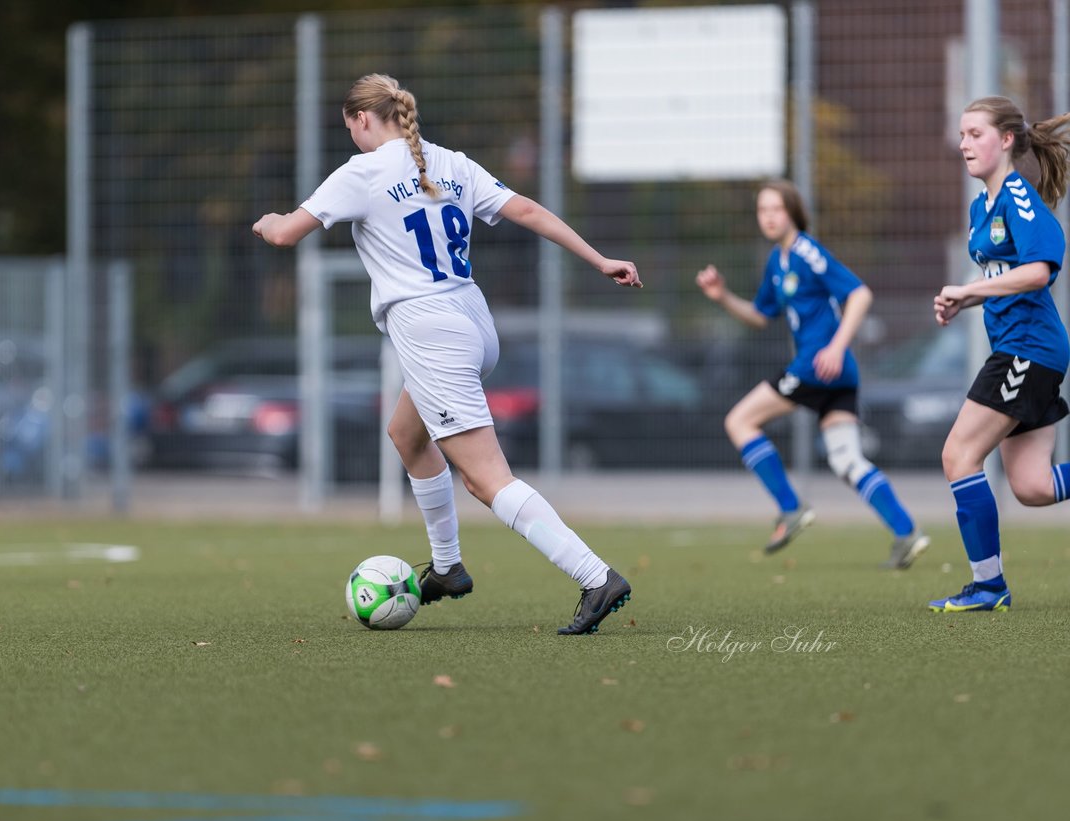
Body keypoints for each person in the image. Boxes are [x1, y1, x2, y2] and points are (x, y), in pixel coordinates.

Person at [254, 73, 640, 634]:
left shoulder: (361, 172)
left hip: (430, 331)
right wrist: (599, 258)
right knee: (407, 434)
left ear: (362, 119)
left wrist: (268, 224)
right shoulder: (451, 162)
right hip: (473, 323)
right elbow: (527, 210)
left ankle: (595, 577)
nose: (352, 139)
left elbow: (289, 234)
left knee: (486, 479)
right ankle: (446, 566)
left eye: (350, 128)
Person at [695, 180, 929, 568]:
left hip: (817, 367)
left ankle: (790, 508)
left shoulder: (806, 252)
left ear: (793, 212)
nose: (768, 217)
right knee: (847, 461)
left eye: (775, 209)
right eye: (761, 210)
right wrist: (722, 297)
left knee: (739, 421)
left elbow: (860, 294)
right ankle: (906, 533)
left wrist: (836, 347)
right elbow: (759, 316)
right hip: (836, 374)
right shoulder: (778, 260)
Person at [928, 96, 1070, 612]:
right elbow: (1002, 279)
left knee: (958, 455)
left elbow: (1039, 270)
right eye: (962, 134)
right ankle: (989, 586)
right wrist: (962, 302)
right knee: (1032, 487)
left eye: (975, 134)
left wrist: (967, 292)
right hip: (1023, 348)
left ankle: (989, 586)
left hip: (1026, 350)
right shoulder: (979, 207)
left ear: (1006, 140)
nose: (964, 143)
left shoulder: (1019, 196)